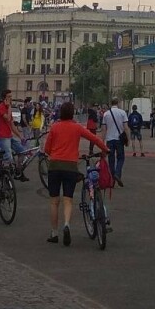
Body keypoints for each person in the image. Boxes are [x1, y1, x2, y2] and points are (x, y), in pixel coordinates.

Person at [42, 101, 109, 245]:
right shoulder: (77, 127)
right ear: (73, 113)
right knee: (68, 199)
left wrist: (53, 152)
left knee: (54, 201)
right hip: (71, 167)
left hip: (54, 166)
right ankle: (67, 224)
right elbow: (94, 138)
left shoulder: (54, 127)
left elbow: (47, 149)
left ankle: (54, 233)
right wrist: (105, 149)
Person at [100, 97, 130, 185]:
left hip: (109, 139)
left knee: (111, 159)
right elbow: (126, 127)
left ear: (111, 103)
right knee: (121, 158)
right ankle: (117, 173)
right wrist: (128, 139)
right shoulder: (122, 113)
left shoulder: (106, 114)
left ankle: (112, 179)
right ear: (118, 103)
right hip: (119, 139)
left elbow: (104, 129)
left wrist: (103, 141)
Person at [0, 89, 16, 168]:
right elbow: (7, 118)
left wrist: (20, 136)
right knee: (8, 156)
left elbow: (11, 122)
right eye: (9, 96)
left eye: (11, 96)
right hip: (2, 135)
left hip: (9, 135)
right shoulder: (1, 107)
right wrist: (9, 106)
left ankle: (17, 171)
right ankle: (5, 173)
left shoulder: (7, 108)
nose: (11, 98)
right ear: (5, 98)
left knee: (21, 150)